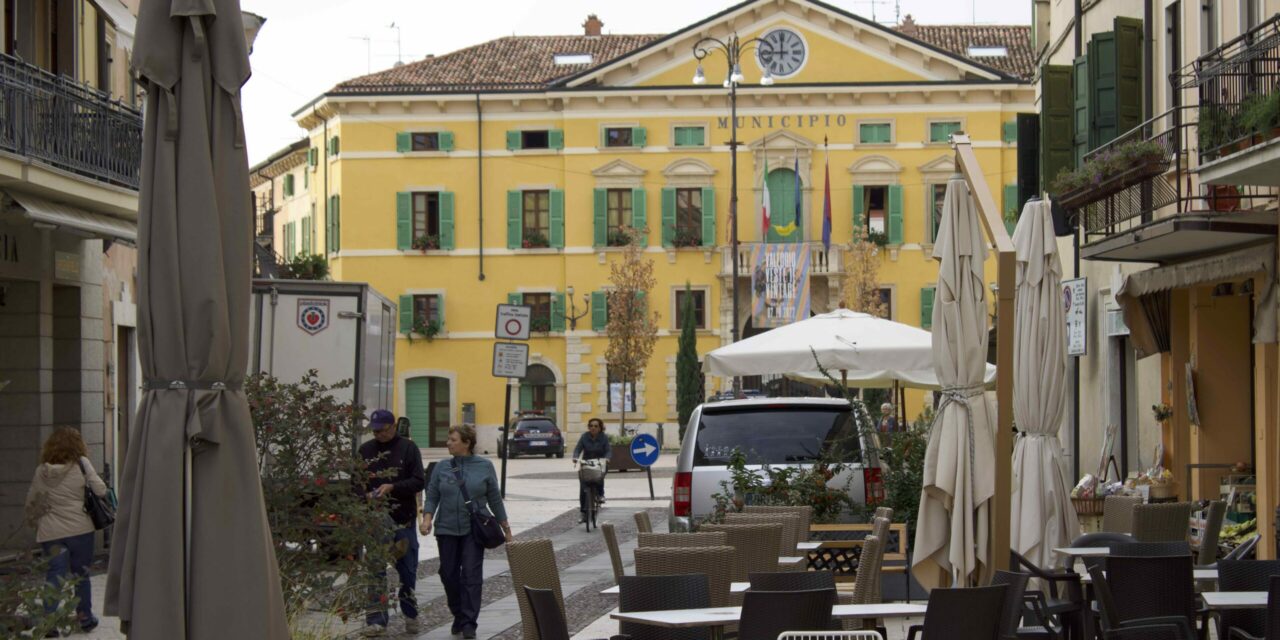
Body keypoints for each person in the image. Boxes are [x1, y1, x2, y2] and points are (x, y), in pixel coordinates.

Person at [421, 425, 511, 639]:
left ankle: (469, 622)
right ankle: (459, 614)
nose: (448, 443)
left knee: (471, 575)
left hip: (474, 529)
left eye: (453, 439)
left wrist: (506, 528)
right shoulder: (442, 467)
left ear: (466, 443)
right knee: (448, 574)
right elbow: (432, 495)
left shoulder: (484, 466)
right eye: (449, 439)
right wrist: (427, 518)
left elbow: (495, 499)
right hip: (446, 528)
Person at [24, 427, 107, 633]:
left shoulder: (41, 471)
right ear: (78, 445)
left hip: (51, 532)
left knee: (55, 574)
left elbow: (31, 501)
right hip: (80, 530)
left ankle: (49, 623)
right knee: (81, 574)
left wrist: (33, 522)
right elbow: (101, 490)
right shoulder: (82, 464)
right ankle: (85, 618)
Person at [359, 409, 426, 637]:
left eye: (383, 430)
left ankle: (410, 614)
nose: (378, 434)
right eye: (375, 430)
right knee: (375, 571)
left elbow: (419, 481)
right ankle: (376, 620)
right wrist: (365, 495)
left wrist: (393, 487)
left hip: (403, 521)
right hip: (376, 521)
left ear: (393, 426)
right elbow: (355, 485)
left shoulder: (408, 448)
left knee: (407, 571)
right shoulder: (365, 451)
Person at [573, 418, 611, 523]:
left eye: (596, 426)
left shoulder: (604, 438)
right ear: (588, 427)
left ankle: (600, 494)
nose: (593, 428)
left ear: (600, 428)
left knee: (599, 476)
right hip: (587, 462)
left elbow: (608, 450)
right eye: (591, 426)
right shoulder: (584, 437)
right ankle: (583, 513)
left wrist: (607, 458)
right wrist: (575, 457)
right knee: (583, 487)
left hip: (600, 462)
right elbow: (578, 448)